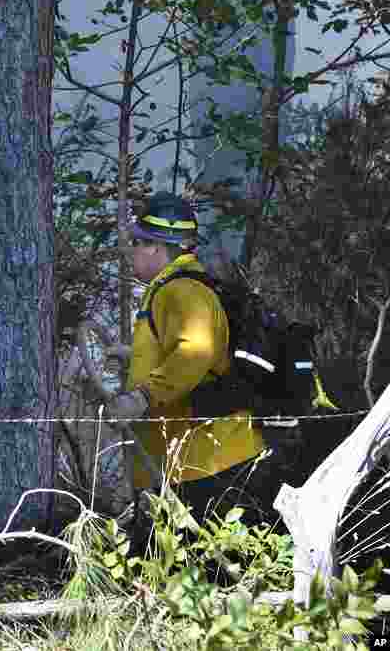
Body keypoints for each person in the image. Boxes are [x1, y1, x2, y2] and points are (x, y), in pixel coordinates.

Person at [105, 192, 279, 530]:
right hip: (192, 462)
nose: (131, 253)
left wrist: (141, 398)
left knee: (194, 570)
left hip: (204, 463)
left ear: (156, 246)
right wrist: (134, 356)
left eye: (136, 243)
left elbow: (194, 352)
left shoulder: (180, 290)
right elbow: (190, 350)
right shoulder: (177, 288)